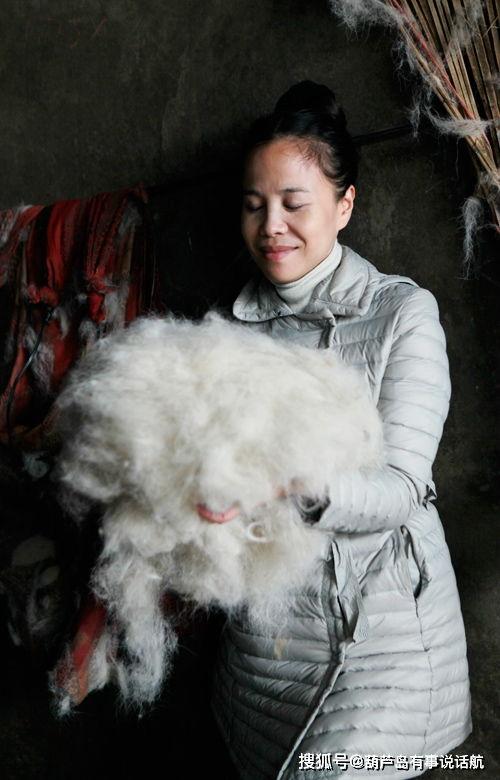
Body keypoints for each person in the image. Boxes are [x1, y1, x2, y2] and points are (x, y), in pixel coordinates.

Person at [207, 81, 472, 779]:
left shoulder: (402, 315)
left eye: (294, 204)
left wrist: (297, 488)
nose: (271, 226)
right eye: (254, 205)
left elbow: (402, 489)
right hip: (268, 645)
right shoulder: (225, 330)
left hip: (382, 634)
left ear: (344, 205)